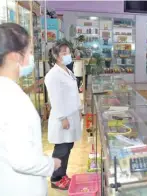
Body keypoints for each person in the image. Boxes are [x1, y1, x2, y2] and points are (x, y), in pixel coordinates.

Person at [0, 23, 61, 196]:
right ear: (15, 56)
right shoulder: (11, 99)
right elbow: (22, 160)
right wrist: (52, 163)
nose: (31, 58)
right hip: (18, 188)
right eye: (29, 52)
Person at [45, 42, 82, 190]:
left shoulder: (67, 70)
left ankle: (62, 174)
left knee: (68, 146)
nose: (68, 55)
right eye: (64, 53)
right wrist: (62, 118)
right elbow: (55, 99)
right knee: (61, 149)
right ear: (56, 56)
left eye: (69, 52)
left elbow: (73, 92)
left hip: (71, 115)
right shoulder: (53, 75)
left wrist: (79, 109)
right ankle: (55, 178)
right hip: (63, 118)